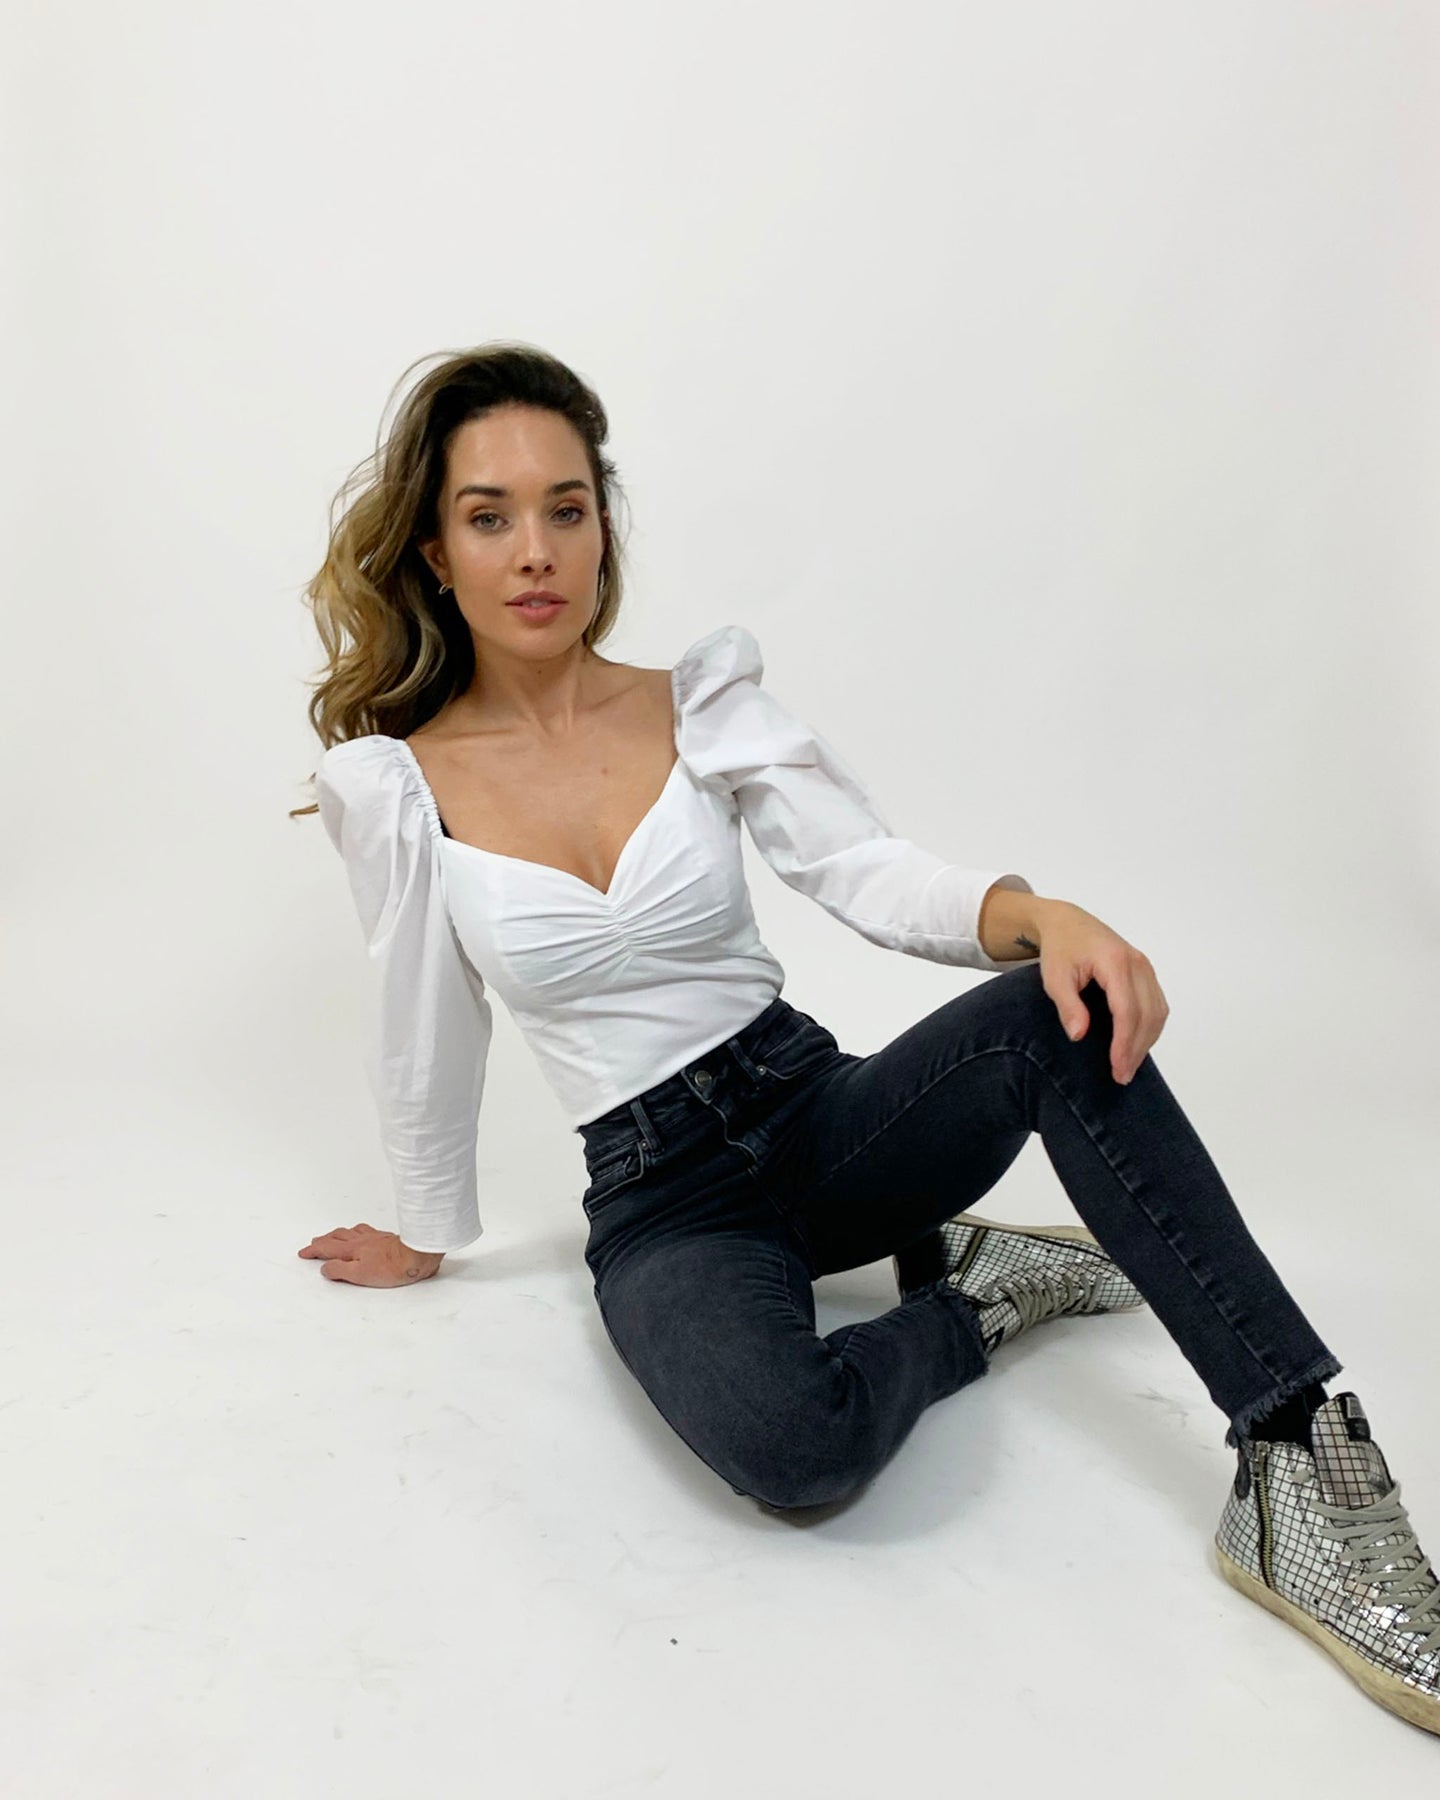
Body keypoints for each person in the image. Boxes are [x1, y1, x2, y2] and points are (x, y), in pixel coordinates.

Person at [291, 341, 1440, 1736]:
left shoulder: (694, 704)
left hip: (818, 1112)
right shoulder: (402, 790)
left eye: (567, 507)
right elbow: (427, 1018)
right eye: (491, 516)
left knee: (1051, 1016)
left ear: (603, 523)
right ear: (435, 549)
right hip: (665, 1202)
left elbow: (862, 868)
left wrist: (1035, 910)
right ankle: (981, 1296)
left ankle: (1297, 1453)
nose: (536, 550)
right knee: (794, 1451)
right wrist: (426, 1228)